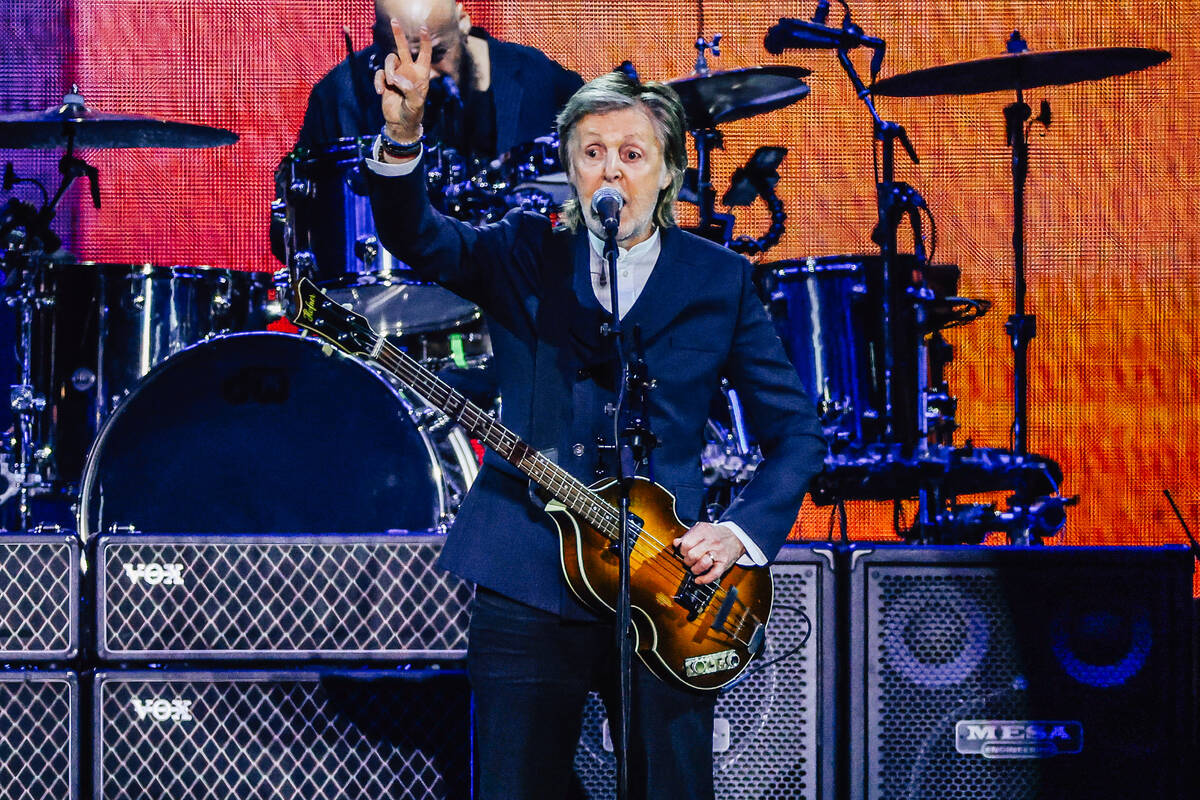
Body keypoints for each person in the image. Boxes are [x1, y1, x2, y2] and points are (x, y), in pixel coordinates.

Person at [364, 19, 826, 799]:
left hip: (665, 580)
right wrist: (403, 131)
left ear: (670, 170)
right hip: (526, 569)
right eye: (592, 153)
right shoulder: (523, 252)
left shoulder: (719, 280)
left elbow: (795, 432)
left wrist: (741, 533)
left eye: (632, 153)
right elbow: (418, 236)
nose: (611, 170)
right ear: (572, 169)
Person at [297, 0, 582, 158]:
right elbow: (290, 224)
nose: (424, 76)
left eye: (436, 54)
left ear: (462, 21)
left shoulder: (535, 75)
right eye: (406, 59)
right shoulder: (339, 97)